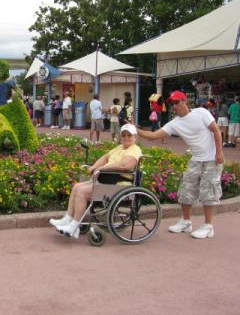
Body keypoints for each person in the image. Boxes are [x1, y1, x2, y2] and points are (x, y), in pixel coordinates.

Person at [136, 90, 224, 239]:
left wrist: (219, 153)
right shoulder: (175, 123)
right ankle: (186, 222)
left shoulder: (201, 113)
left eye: (177, 102)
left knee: (208, 192)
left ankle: (208, 226)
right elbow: (153, 136)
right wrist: (135, 130)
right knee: (185, 190)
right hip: (195, 159)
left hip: (211, 159)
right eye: (172, 103)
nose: (174, 106)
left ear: (185, 102)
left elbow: (216, 130)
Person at [49, 124, 142, 238]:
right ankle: (68, 219)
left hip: (119, 183)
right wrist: (93, 167)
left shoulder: (135, 150)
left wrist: (103, 168)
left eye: (129, 135)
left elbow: (126, 166)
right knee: (77, 186)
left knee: (82, 192)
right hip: (108, 178)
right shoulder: (120, 148)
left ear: (135, 137)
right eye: (124, 135)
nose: (126, 137)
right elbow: (105, 158)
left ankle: (74, 227)